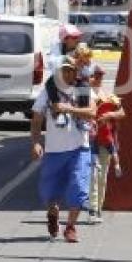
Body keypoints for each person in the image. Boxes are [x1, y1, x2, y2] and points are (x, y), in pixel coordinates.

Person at [30, 56, 96, 243]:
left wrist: (68, 108)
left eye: (71, 70)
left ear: (76, 72)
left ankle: (70, 227)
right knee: (50, 192)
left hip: (79, 148)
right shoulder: (48, 91)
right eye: (64, 70)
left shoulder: (84, 89)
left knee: (78, 187)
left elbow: (92, 112)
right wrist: (36, 142)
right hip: (54, 150)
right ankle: (53, 214)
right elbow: (36, 120)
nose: (68, 74)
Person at [87, 66, 126, 224]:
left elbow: (122, 113)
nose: (98, 79)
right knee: (93, 175)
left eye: (100, 76)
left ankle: (98, 209)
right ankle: (92, 209)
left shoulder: (107, 94)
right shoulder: (84, 93)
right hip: (90, 140)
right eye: (95, 76)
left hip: (107, 138)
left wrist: (109, 114)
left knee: (102, 177)